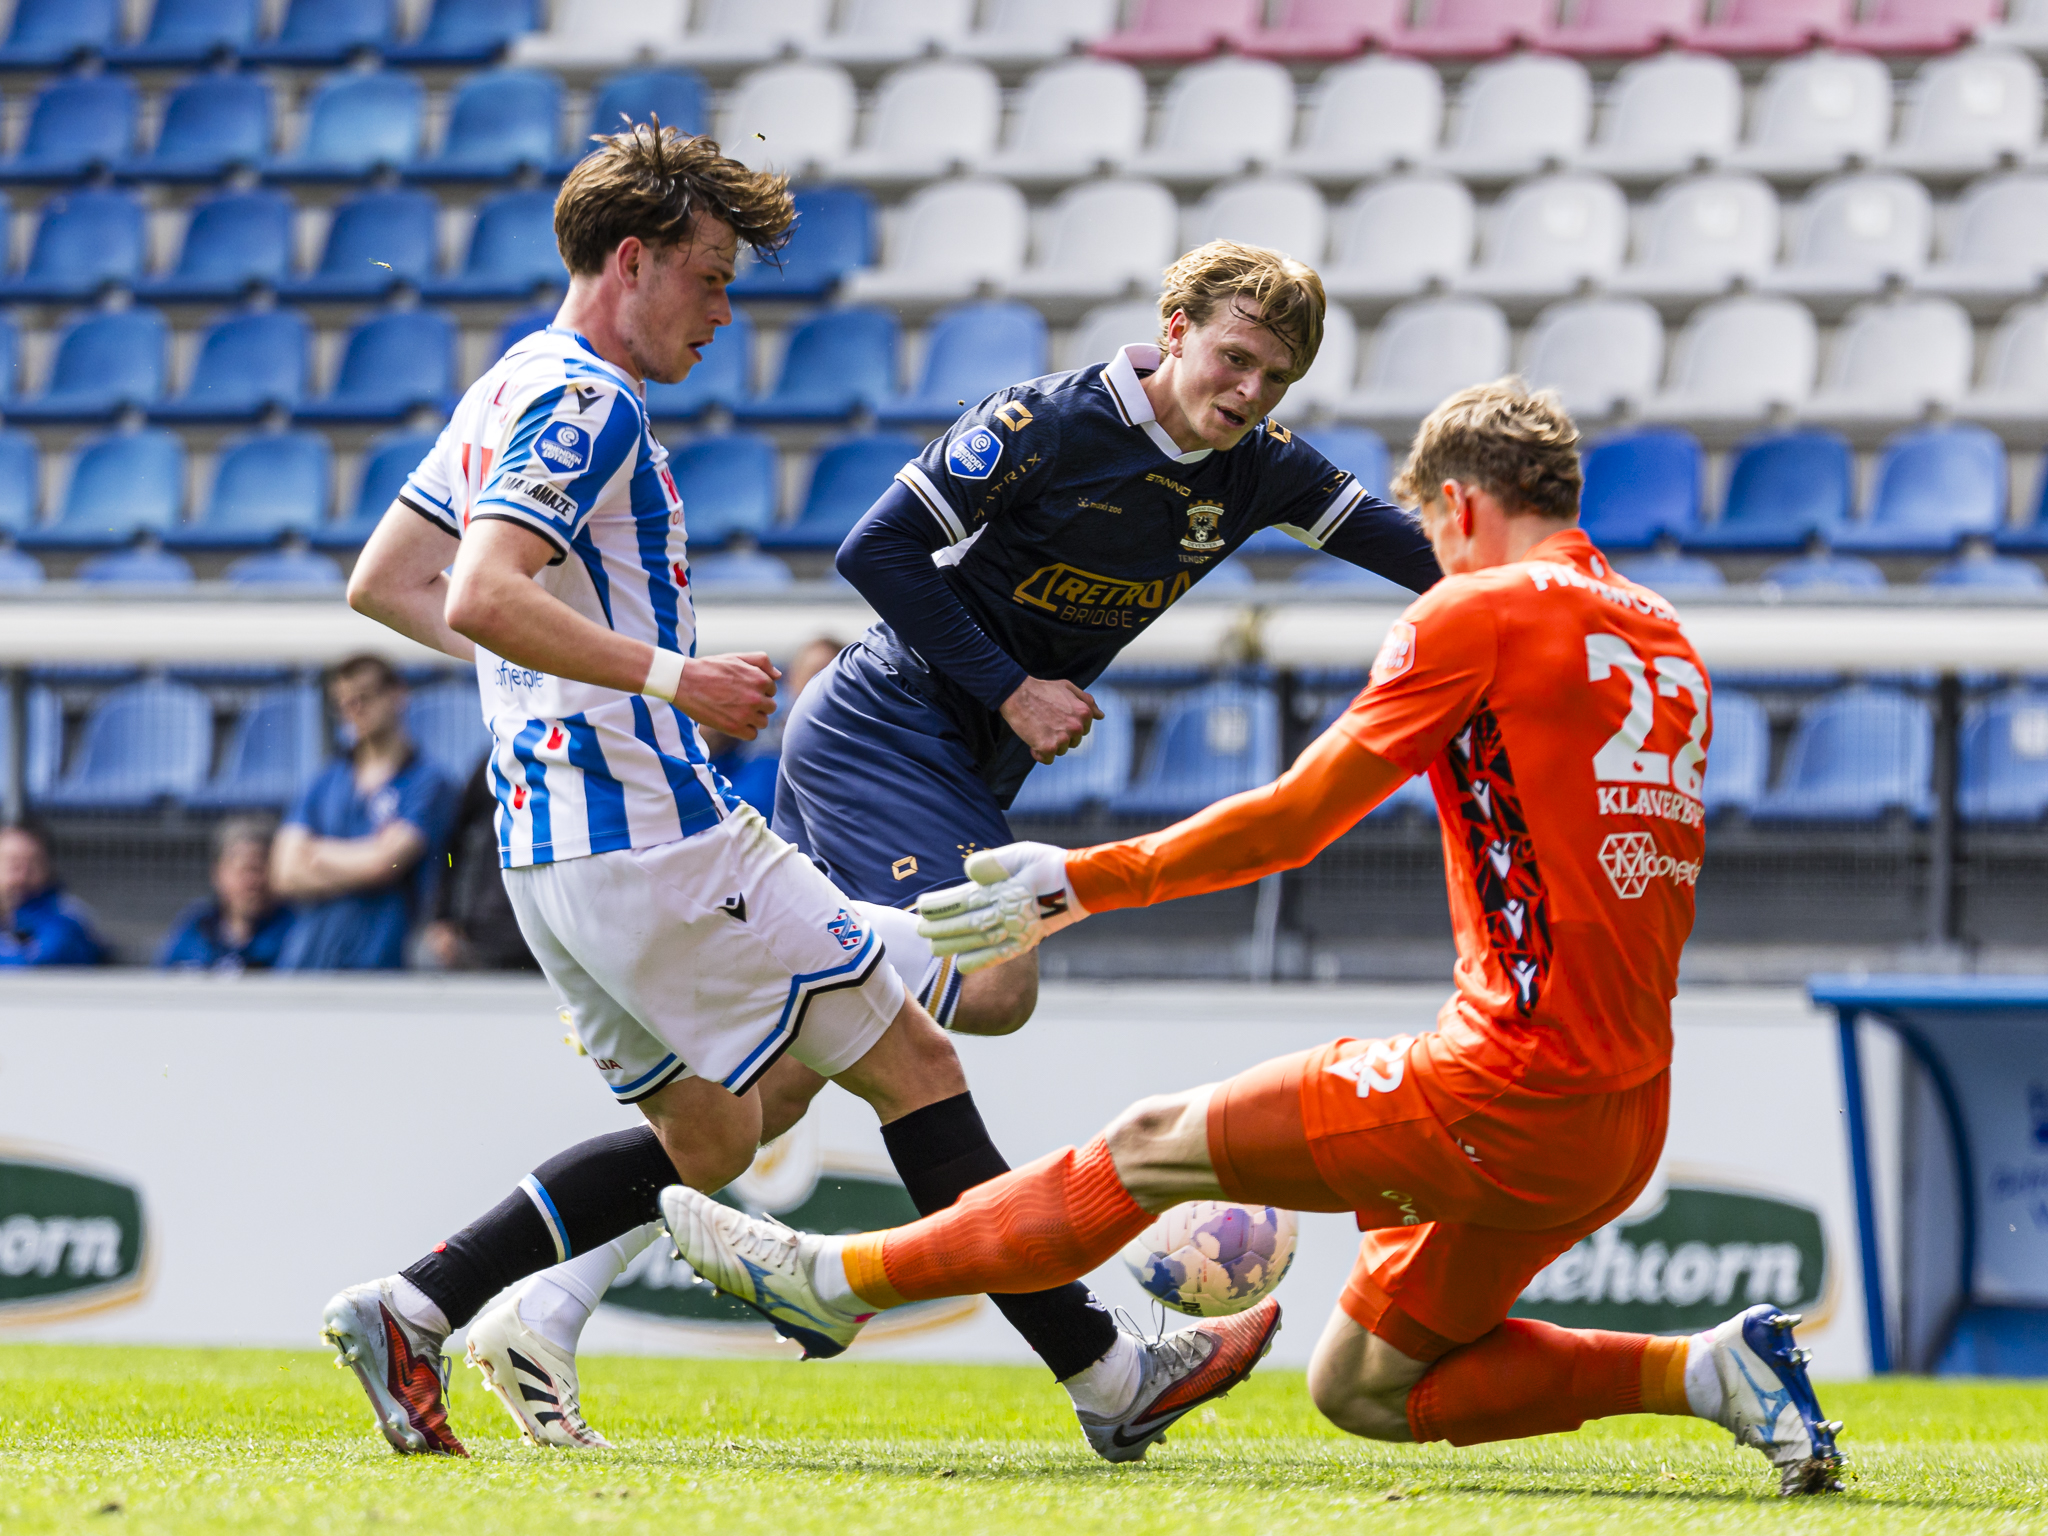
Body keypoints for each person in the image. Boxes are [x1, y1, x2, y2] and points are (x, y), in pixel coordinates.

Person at [661, 380, 1847, 1496]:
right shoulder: (1656, 634)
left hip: (1506, 1083)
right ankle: (1705, 1372)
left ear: (1460, 509)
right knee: (1365, 1386)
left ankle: (832, 1281)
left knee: (1146, 1145)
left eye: (1434, 538)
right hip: (1623, 1112)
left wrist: (1076, 881)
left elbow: (1294, 820)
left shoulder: (1473, 609)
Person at [478, 241, 1448, 1452]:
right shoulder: (1042, 422)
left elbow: (1431, 559)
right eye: (1234, 358)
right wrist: (1014, 689)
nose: (1247, 392)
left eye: (1275, 378)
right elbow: (873, 552)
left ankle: (535, 1302)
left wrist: (1564, 599)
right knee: (992, 983)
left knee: (773, 1087)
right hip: (883, 727)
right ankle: (1089, 1362)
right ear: (1176, 327)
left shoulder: (1257, 471)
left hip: (960, 755)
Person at [325, 123, 1162, 1461]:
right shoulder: (587, 396)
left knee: (712, 1136)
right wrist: (668, 678)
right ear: (635, 259)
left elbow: (389, 584)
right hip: (655, 828)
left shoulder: (506, 384)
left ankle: (417, 1306)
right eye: (711, 280)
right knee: (920, 1060)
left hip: (552, 854)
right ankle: (1113, 1378)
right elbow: (480, 594)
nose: (724, 314)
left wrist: (564, 681)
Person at [270, 656, 456, 970]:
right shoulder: (325, 781)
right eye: (344, 702)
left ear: (399, 695)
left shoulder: (429, 782)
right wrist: (365, 861)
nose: (355, 709)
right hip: (309, 962)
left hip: (382, 962)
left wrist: (315, 854)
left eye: (365, 697)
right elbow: (284, 874)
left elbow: (386, 864)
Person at [422, 758, 540, 972]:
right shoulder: (498, 762)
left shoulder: (577, 762)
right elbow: (453, 847)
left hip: (555, 937)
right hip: (487, 939)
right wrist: (444, 916)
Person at [157, 816, 294, 971]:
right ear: (218, 873)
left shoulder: (294, 932)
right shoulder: (196, 926)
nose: (253, 882)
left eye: (261, 870)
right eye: (244, 870)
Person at [0, 821, 106, 967]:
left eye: (32, 864)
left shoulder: (68, 918)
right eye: (14, 865)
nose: (22, 876)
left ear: (48, 867)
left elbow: (36, 963)